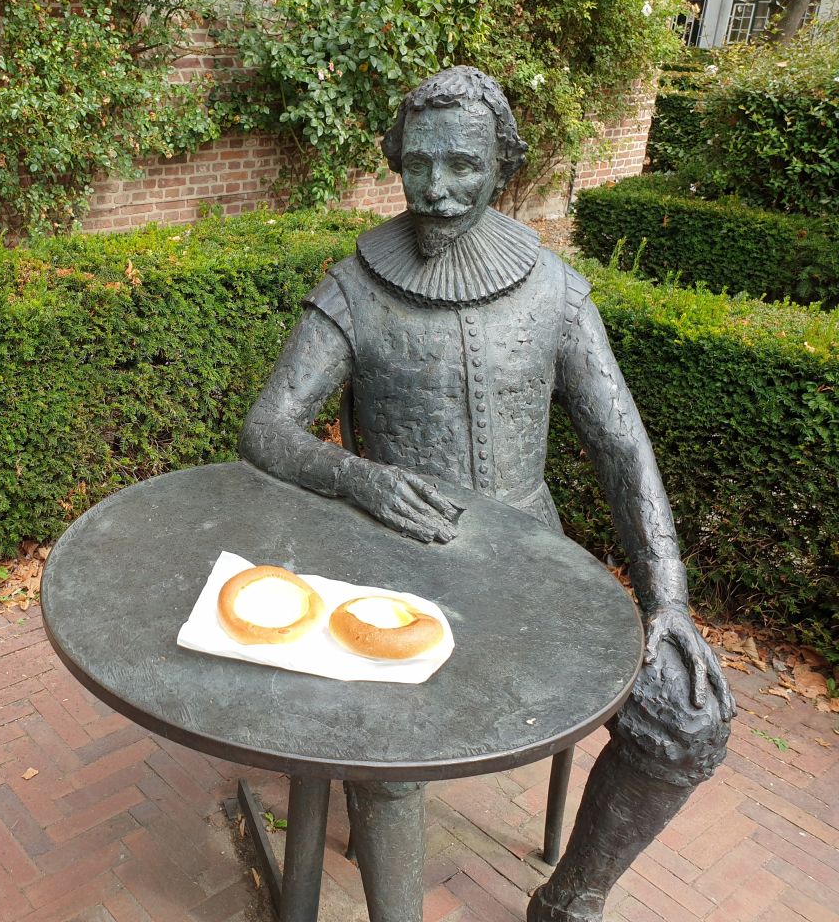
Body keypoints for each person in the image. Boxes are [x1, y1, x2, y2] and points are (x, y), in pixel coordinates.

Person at [238, 65, 735, 922]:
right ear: (396, 160)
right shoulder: (355, 286)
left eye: (463, 165)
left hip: (535, 567)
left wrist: (669, 598)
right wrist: (359, 477)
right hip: (395, 570)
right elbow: (266, 428)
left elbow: (621, 443)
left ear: (504, 164)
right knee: (387, 750)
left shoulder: (554, 290)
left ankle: (572, 899)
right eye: (418, 164)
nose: (436, 190)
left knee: (689, 718)